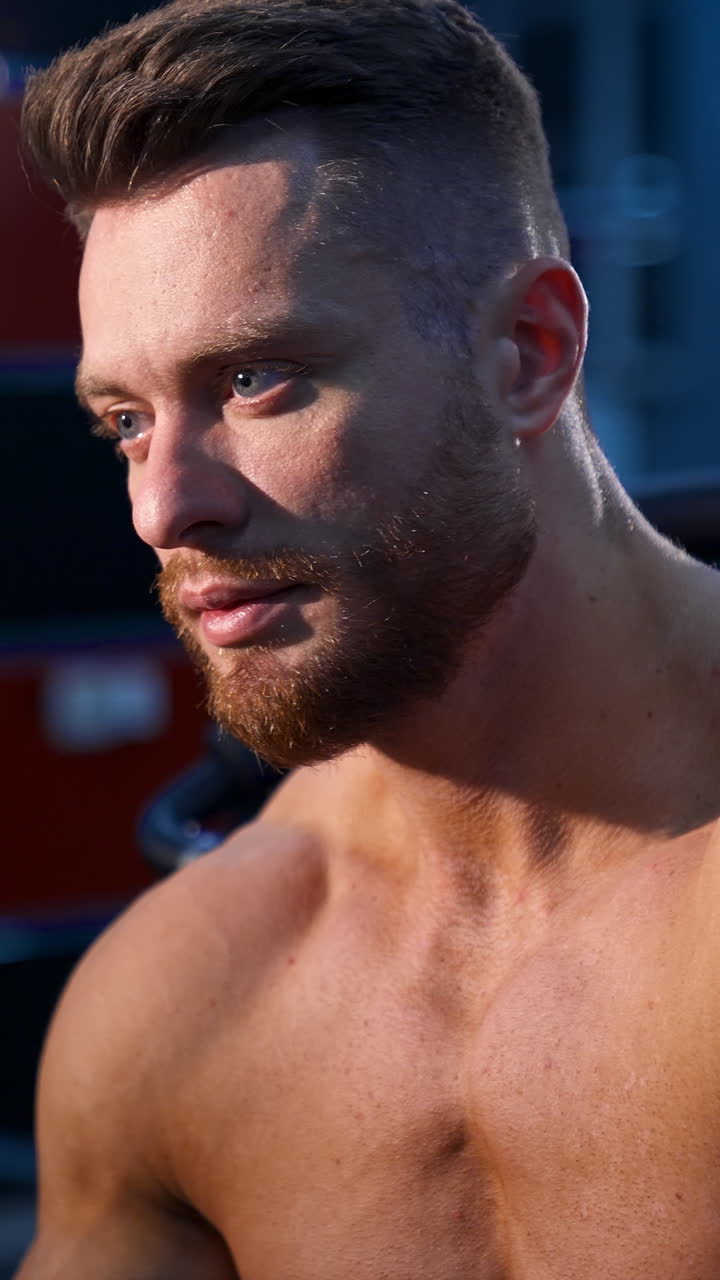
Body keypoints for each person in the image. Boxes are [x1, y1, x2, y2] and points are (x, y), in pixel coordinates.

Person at [16, 1, 720, 1275]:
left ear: (529, 353)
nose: (166, 504)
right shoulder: (175, 1006)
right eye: (124, 419)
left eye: (254, 380)